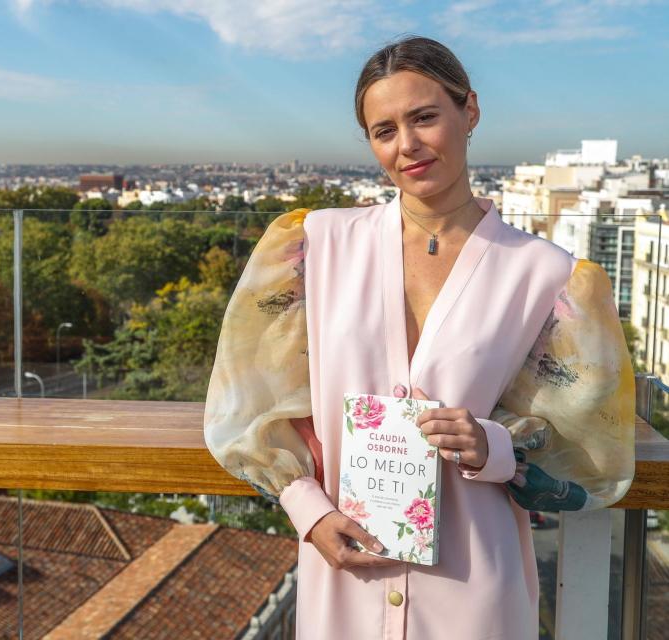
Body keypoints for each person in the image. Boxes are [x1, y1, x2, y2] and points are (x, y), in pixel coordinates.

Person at [203, 34, 634, 640]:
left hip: (473, 586)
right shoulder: (313, 247)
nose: (407, 145)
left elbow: (592, 453)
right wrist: (307, 509)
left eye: (425, 117)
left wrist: (494, 446)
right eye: (384, 130)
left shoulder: (550, 276)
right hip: (346, 567)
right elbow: (248, 403)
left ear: (471, 112)